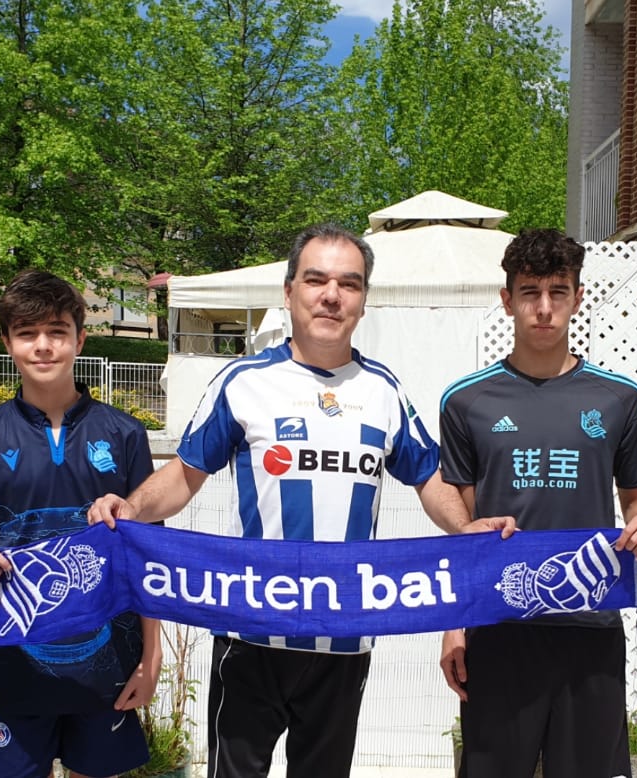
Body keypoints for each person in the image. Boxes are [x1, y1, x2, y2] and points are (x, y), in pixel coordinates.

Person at [87, 222, 514, 778]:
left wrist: (467, 530)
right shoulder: (242, 381)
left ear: (364, 301)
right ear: (288, 292)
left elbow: (428, 479)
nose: (331, 295)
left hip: (343, 641)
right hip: (250, 635)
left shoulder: (384, 391)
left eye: (349, 284)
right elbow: (186, 475)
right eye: (316, 280)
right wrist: (132, 507)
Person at [436, 228, 637, 778]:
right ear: (507, 300)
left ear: (578, 298)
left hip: (590, 625)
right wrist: (454, 624)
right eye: (530, 292)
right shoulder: (465, 400)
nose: (544, 309)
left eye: (558, 292)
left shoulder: (619, 398)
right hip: (499, 628)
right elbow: (467, 531)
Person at [0, 268, 162, 778]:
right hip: (17, 663)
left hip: (108, 664)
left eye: (57, 332)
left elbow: (148, 565)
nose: (43, 346)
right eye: (27, 333)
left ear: (80, 339)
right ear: (7, 341)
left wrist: (150, 662)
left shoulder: (125, 434)